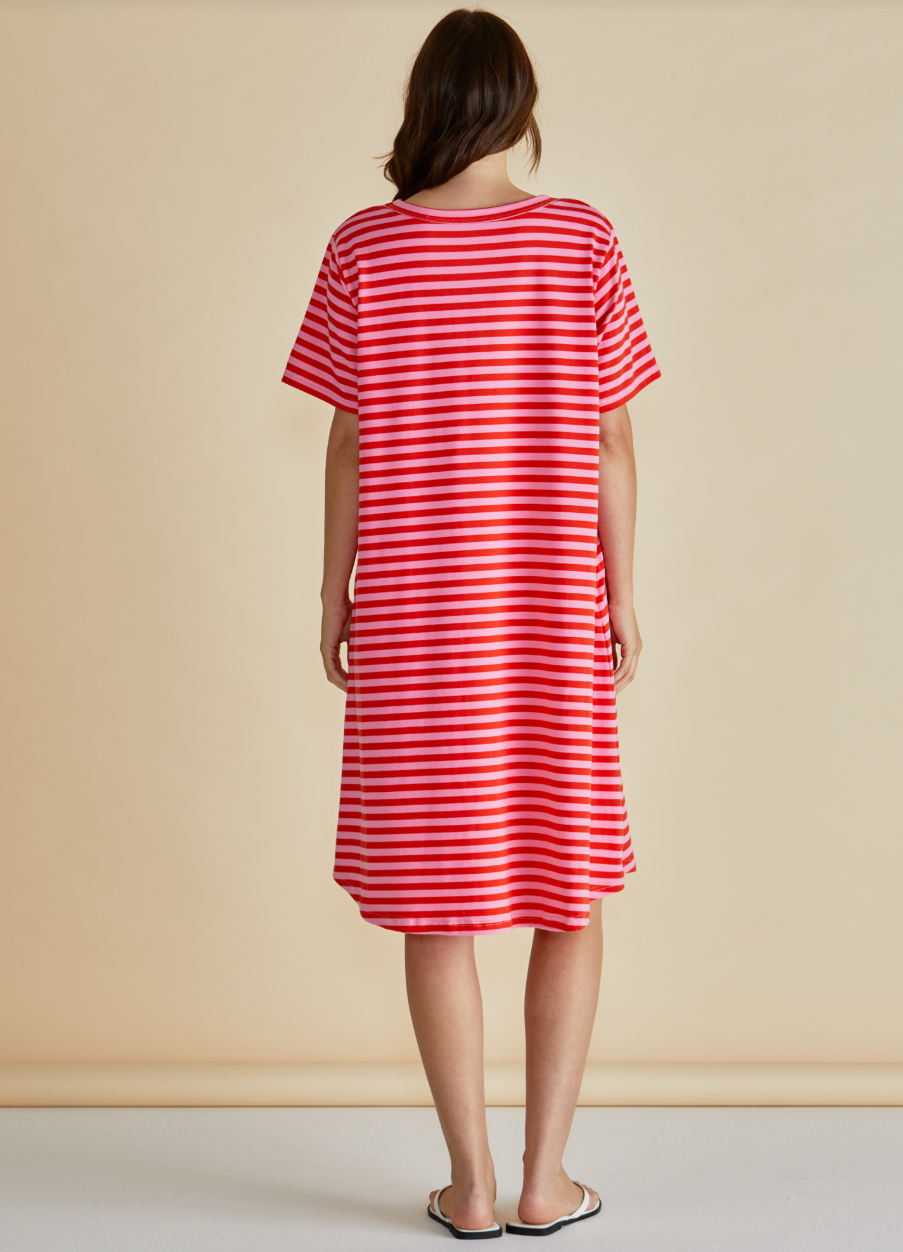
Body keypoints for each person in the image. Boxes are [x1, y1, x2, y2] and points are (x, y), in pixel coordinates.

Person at [282, 8, 660, 1238]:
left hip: (417, 620)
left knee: (434, 904)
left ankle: (474, 1188)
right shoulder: (579, 238)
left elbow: (348, 439)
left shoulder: (364, 245)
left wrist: (334, 590)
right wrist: (620, 590)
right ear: (521, 106)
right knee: (569, 891)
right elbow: (610, 435)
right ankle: (548, 1181)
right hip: (548, 610)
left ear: (427, 104)